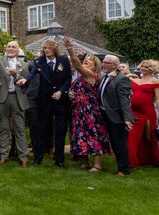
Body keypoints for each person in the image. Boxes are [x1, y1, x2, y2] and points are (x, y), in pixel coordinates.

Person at [21, 39, 71, 167]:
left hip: (60, 100)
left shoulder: (63, 61)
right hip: (44, 100)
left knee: (60, 130)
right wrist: (24, 80)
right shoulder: (39, 61)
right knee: (42, 129)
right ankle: (38, 158)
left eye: (48, 48)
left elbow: (68, 79)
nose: (46, 50)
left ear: (54, 49)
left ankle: (59, 159)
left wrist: (61, 91)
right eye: (44, 48)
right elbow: (32, 74)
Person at [63, 37, 110, 172]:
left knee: (93, 134)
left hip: (90, 110)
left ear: (95, 66)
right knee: (80, 134)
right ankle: (85, 161)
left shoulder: (91, 75)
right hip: (78, 109)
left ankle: (97, 164)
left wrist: (70, 49)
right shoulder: (80, 77)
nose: (85, 63)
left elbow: (76, 65)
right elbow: (75, 89)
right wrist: (72, 94)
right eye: (84, 61)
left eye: (88, 62)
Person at [0, 38, 29, 167]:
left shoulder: (25, 64)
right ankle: (4, 156)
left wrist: (16, 75)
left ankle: (23, 158)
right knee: (4, 127)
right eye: (9, 47)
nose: (10, 49)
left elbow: (26, 83)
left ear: (18, 51)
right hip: (2, 97)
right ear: (5, 49)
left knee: (19, 129)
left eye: (13, 47)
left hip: (17, 97)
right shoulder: (0, 59)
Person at [98, 55, 135, 176]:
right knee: (114, 143)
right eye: (103, 62)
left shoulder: (121, 79)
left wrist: (127, 119)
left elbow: (124, 101)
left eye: (106, 62)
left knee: (119, 144)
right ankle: (121, 166)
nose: (103, 64)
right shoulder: (105, 76)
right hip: (105, 114)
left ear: (114, 65)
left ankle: (124, 169)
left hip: (117, 117)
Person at [127, 59, 159, 168]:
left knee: (149, 136)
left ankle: (149, 159)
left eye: (147, 67)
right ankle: (131, 161)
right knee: (132, 136)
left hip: (148, 112)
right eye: (142, 66)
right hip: (134, 112)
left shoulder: (155, 81)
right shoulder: (135, 80)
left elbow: (158, 99)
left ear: (152, 69)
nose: (143, 68)